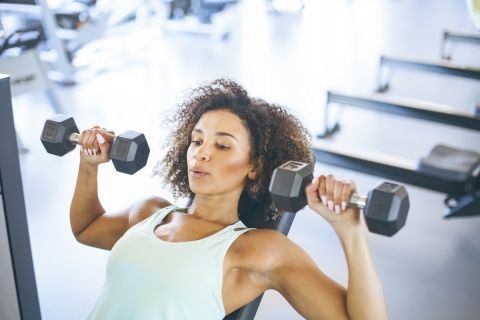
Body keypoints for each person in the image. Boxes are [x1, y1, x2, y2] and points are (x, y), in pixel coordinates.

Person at [70, 79, 387, 320]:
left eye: (222, 146)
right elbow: (87, 228)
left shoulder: (258, 250)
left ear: (255, 167)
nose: (202, 153)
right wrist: (88, 164)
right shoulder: (150, 213)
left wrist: (350, 231)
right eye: (197, 140)